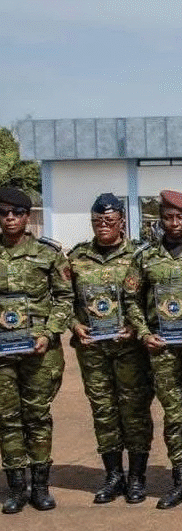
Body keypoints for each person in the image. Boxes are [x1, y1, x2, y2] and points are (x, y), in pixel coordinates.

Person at [124, 190, 182, 510]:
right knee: (173, 415)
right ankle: (179, 481)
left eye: (180, 217)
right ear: (160, 219)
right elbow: (131, 300)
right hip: (162, 348)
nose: (174, 223)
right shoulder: (145, 257)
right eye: (168, 217)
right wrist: (143, 332)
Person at [68, 193, 153, 504]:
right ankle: (113, 475)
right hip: (93, 350)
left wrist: (136, 327)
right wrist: (74, 324)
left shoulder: (139, 256)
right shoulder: (77, 257)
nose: (102, 225)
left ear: (122, 222)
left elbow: (150, 300)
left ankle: (137, 477)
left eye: (109, 220)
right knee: (103, 411)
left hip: (130, 350)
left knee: (135, 411)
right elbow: (64, 299)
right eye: (97, 221)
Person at [0, 187, 73, 514]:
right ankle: (16, 487)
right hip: (2, 354)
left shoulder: (49, 253)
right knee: (7, 419)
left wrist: (49, 332)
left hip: (39, 351)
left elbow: (65, 298)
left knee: (37, 416)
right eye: (3, 213)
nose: (10, 218)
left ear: (27, 216)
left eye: (16, 212)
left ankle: (41, 486)